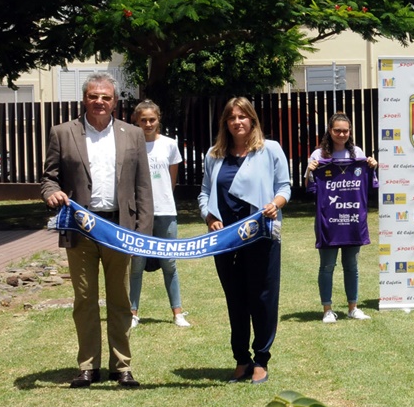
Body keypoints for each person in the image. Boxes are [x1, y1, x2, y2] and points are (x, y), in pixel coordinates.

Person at [41, 72, 152, 388]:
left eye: (106, 97)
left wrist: (141, 232)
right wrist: (51, 193)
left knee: (119, 298)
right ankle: (88, 365)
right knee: (85, 298)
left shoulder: (132, 134)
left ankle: (122, 366)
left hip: (119, 228)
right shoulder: (63, 133)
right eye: (94, 96)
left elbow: (143, 187)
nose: (99, 102)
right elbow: (49, 177)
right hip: (81, 229)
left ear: (115, 101)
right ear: (84, 99)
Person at [199, 97, 291, 384]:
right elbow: (203, 194)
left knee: (262, 298)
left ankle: (261, 358)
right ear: (225, 123)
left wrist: (276, 204)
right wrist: (208, 217)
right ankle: (241, 360)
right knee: (235, 300)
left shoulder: (270, 149)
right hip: (225, 239)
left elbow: (284, 186)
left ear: (252, 119)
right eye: (231, 117)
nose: (237, 122)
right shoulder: (213, 155)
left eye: (242, 116)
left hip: (260, 235)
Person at [306, 112, 378, 324]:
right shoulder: (318, 155)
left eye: (345, 130)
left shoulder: (357, 152)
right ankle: (327, 309)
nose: (341, 134)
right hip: (328, 221)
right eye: (337, 130)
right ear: (330, 131)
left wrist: (372, 166)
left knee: (352, 266)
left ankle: (352, 308)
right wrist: (310, 171)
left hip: (353, 220)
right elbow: (309, 188)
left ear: (350, 132)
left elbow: (371, 184)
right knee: (327, 266)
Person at [128, 100, 189, 328]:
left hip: (165, 210)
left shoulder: (170, 145)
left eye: (151, 119)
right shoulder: (131, 145)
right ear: (136, 120)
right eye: (143, 120)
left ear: (158, 119)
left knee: (169, 264)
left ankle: (177, 312)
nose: (147, 123)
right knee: (136, 264)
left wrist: (163, 200)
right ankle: (133, 313)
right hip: (139, 214)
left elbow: (171, 180)